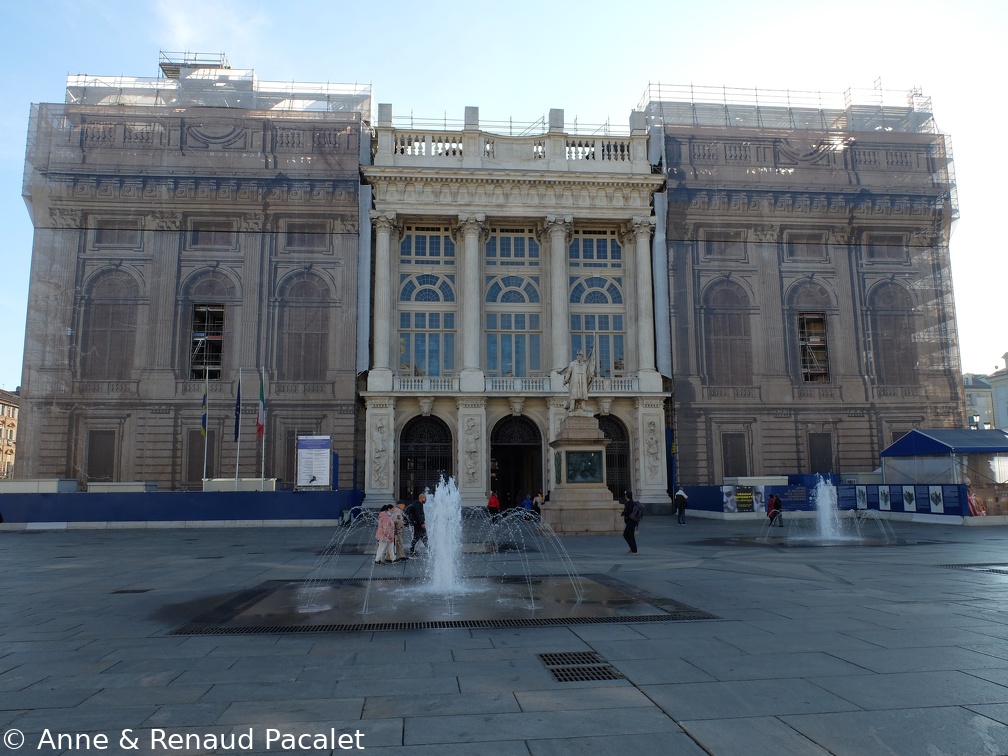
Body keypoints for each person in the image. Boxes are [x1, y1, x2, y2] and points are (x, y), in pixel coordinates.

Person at [560, 345, 596, 412]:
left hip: (582, 380)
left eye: (580, 355)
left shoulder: (584, 365)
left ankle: (583, 406)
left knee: (582, 393)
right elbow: (568, 372)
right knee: (574, 393)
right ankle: (572, 406)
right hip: (575, 380)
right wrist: (565, 380)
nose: (578, 356)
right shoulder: (572, 364)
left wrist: (590, 377)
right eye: (577, 355)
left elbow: (588, 373)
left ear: (582, 356)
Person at [621, 489, 639, 555]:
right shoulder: (631, 502)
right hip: (631, 521)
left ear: (626, 496)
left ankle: (634, 550)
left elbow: (629, 511)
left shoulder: (630, 503)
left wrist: (623, 513)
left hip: (631, 521)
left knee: (628, 535)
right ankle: (633, 548)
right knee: (628, 535)